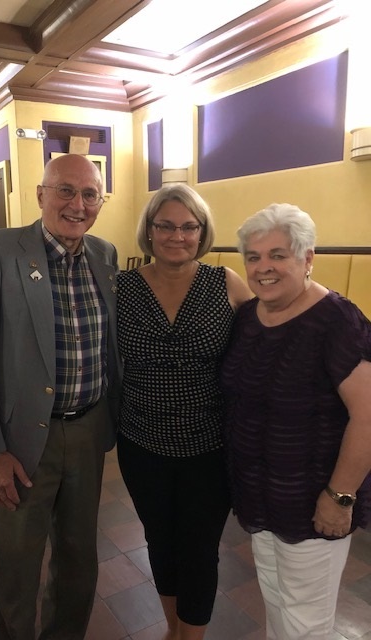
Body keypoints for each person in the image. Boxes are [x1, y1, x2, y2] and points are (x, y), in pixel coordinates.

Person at [0, 154, 122, 640]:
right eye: (65, 190)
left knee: (78, 560)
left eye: (90, 194)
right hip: (21, 442)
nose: (78, 204)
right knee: (19, 566)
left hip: (87, 431)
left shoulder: (104, 255)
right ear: (41, 194)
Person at [221, 203, 371, 640]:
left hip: (313, 505)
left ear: (308, 259)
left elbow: (367, 414)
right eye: (253, 256)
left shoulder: (337, 321)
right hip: (261, 500)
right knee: (279, 606)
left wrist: (339, 497)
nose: (263, 267)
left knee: (307, 624)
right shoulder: (250, 316)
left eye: (278, 255)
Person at [116, 184, 251, 640]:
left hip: (209, 446)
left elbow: (273, 334)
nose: (178, 235)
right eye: (166, 225)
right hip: (141, 444)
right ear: (149, 231)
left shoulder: (226, 282)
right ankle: (173, 629)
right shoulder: (122, 287)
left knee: (199, 550)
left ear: (202, 232)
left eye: (189, 226)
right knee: (160, 542)